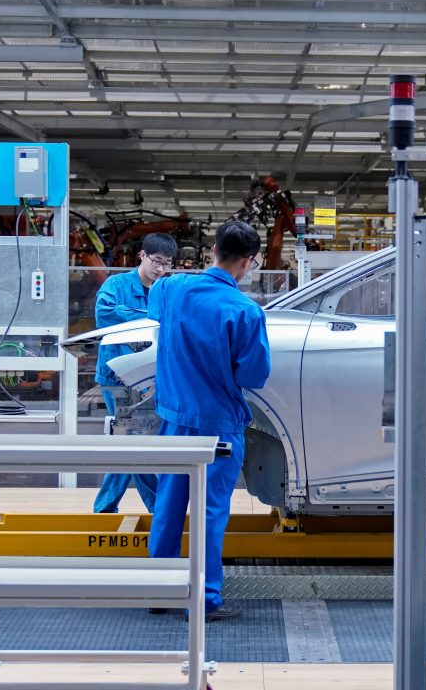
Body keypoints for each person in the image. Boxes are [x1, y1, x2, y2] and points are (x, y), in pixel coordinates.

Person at [147, 221, 270, 621]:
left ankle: (160, 591)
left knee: (168, 503)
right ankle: (204, 599)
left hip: (173, 418)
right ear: (248, 263)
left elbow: (154, 318)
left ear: (213, 251)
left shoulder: (170, 288)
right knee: (210, 511)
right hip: (218, 426)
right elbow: (254, 376)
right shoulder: (245, 312)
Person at [91, 232, 178, 514]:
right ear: (142, 255)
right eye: (157, 261)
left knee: (131, 441)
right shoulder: (116, 284)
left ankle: (111, 509)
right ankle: (155, 508)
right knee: (134, 440)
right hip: (117, 375)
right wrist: (146, 317)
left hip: (148, 377)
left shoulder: (163, 289)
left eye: (167, 264)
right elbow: (105, 313)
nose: (161, 269)